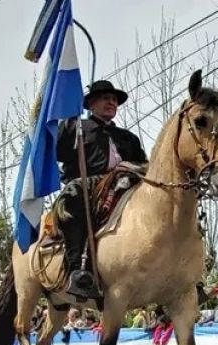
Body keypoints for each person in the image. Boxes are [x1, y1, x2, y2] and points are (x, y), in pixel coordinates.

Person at [55, 80, 148, 300]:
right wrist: (68, 123)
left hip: (125, 183)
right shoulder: (78, 128)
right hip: (88, 185)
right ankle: (78, 270)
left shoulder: (127, 137)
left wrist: (131, 168)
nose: (112, 102)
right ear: (91, 104)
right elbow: (58, 152)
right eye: (106, 98)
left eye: (114, 100)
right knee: (73, 199)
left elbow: (144, 164)